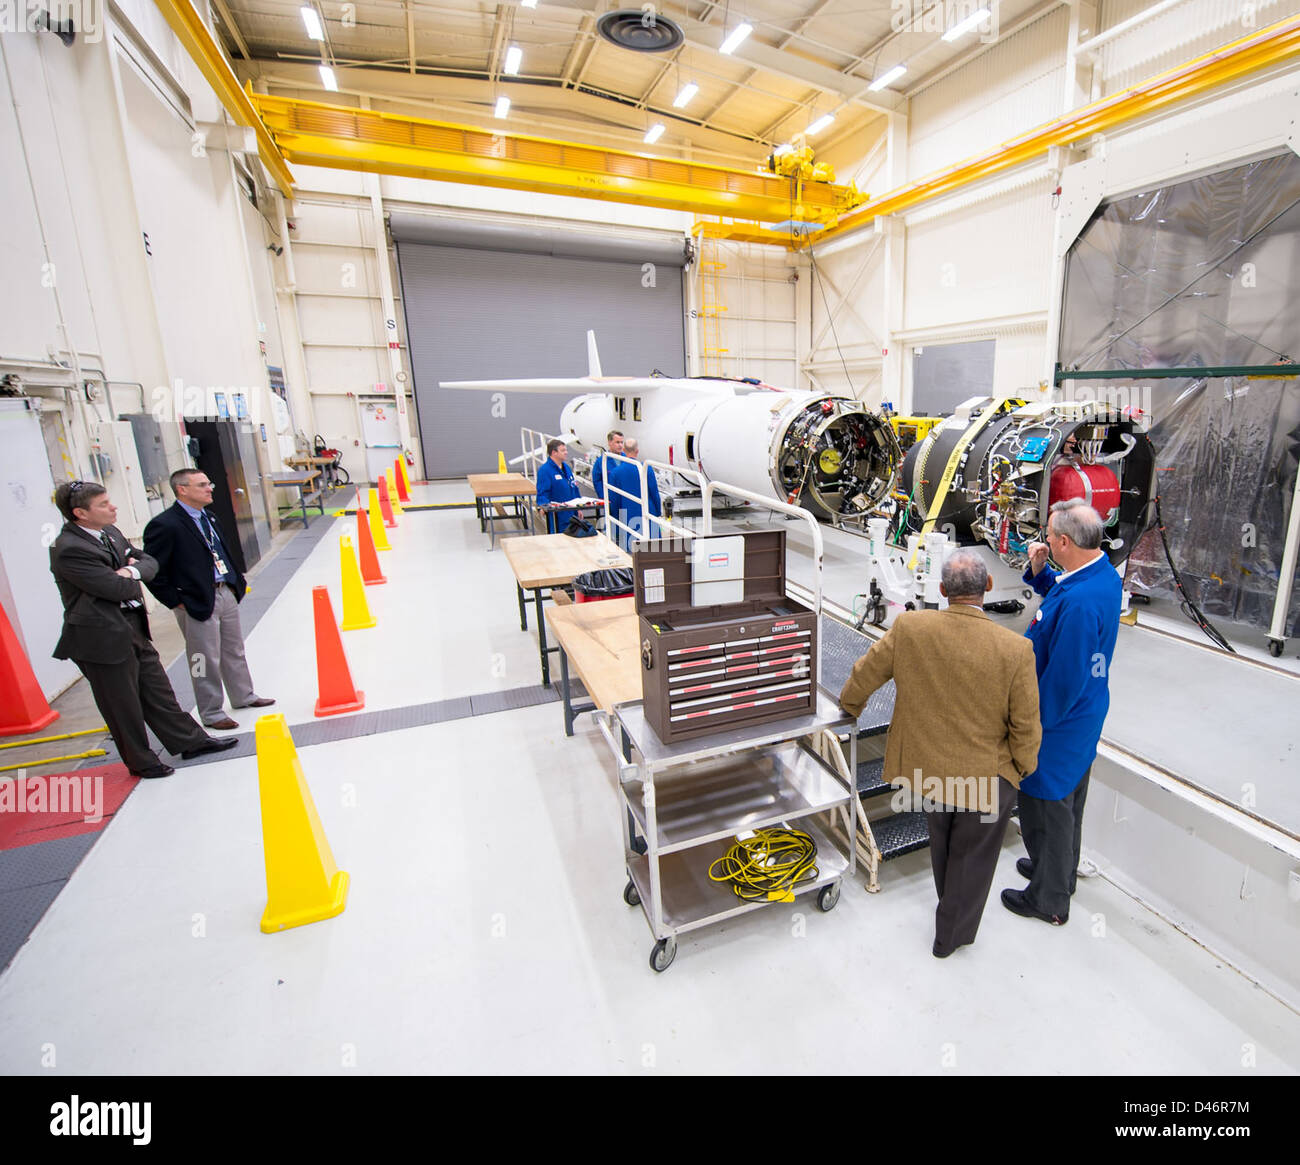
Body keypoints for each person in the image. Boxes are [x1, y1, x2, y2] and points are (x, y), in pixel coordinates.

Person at [839, 551, 1041, 958]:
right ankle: (950, 935)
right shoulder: (1015, 649)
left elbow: (865, 673)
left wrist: (849, 707)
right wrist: (1023, 767)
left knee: (943, 842)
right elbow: (1025, 725)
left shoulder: (910, 627)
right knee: (974, 855)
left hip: (930, 770)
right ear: (987, 588)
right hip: (987, 777)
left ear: (944, 590)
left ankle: (948, 908)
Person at [49, 481, 237, 779]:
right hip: (100, 638)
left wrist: (131, 569)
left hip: (132, 626)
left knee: (158, 690)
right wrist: (130, 574)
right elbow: (115, 587)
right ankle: (141, 761)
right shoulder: (69, 549)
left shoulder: (109, 533)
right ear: (80, 513)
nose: (113, 507)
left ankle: (190, 741)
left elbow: (150, 562)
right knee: (121, 703)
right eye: (104, 504)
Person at [1002, 499, 1120, 927]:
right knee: (1071, 801)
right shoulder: (1098, 577)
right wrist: (1039, 572)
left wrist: (1029, 727)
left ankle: (1048, 901)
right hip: (1084, 718)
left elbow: (1066, 677)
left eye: (1049, 537)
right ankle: (1058, 872)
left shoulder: (1081, 603)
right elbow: (1063, 594)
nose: (1044, 540)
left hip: (1058, 723)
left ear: (1065, 541)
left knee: (1045, 807)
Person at [143, 468, 275, 730]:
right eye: (202, 484)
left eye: (208, 483)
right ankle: (211, 711)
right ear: (182, 489)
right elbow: (153, 570)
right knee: (202, 658)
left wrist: (236, 583)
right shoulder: (164, 525)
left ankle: (243, 695)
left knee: (233, 649)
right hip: (195, 600)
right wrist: (175, 601)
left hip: (224, 591)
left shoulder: (210, 518)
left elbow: (221, 551)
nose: (209, 488)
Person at [608, 436, 661, 548]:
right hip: (648, 512)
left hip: (627, 516)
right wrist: (657, 513)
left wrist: (617, 517)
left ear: (623, 450)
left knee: (631, 553)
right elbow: (654, 493)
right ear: (637, 451)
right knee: (653, 550)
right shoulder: (646, 469)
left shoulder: (616, 472)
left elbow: (614, 499)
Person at [535, 438, 582, 533]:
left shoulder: (567, 468)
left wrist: (579, 507)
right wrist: (543, 506)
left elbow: (574, 487)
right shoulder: (545, 470)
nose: (566, 452)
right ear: (554, 452)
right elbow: (542, 492)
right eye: (563, 450)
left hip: (572, 512)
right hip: (557, 516)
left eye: (566, 450)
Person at [590, 430, 623, 504]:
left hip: (623, 501)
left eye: (621, 442)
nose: (620, 445)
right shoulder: (602, 461)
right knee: (610, 515)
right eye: (617, 442)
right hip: (610, 501)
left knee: (623, 515)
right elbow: (597, 480)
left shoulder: (627, 459)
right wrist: (603, 497)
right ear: (609, 443)